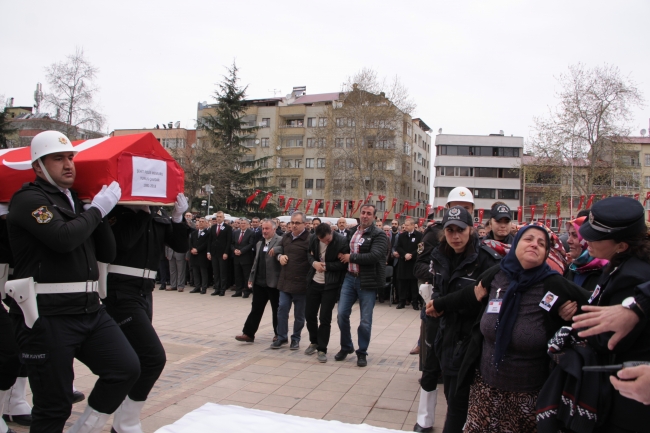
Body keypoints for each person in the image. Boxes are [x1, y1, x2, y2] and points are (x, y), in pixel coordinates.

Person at [6, 131, 140, 433]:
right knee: (53, 406)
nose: (68, 165)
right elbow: (62, 239)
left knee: (125, 368)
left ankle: (84, 429)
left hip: (89, 310)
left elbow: (108, 252)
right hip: (47, 316)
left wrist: (98, 212)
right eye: (58, 158)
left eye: (70, 158)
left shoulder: (77, 202)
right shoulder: (29, 199)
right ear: (38, 166)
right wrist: (96, 210)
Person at [427, 224, 588, 433]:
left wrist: (572, 316)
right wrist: (439, 305)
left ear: (546, 253)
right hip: (485, 389)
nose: (534, 245)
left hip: (529, 396)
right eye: (528, 239)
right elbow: (469, 294)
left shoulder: (554, 284)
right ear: (516, 245)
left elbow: (597, 303)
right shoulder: (498, 274)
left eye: (541, 243)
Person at [103, 192, 188, 433]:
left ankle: (123, 417)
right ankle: (125, 420)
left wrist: (178, 218)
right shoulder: (116, 213)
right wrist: (141, 212)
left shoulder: (157, 216)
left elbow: (180, 245)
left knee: (136, 359)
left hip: (144, 292)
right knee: (153, 358)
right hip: (120, 292)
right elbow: (123, 243)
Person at [413, 206, 501, 433]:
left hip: (473, 340)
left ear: (470, 230)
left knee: (465, 405)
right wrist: (438, 305)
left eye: (460, 230)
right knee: (451, 395)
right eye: (450, 230)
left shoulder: (485, 259)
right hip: (446, 335)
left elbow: (486, 300)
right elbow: (437, 286)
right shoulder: (439, 255)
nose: (455, 236)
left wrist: (447, 304)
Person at [570, 196, 650, 432]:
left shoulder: (633, 277)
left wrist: (575, 327)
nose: (587, 240)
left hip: (629, 402)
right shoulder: (619, 264)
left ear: (621, 245)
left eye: (595, 236)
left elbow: (608, 338)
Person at [335, 204, 387, 367]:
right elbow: (341, 249)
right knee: (341, 314)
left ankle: (362, 352)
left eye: (369, 214)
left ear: (374, 217)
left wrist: (352, 257)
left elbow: (374, 256)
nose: (365, 216)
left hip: (367, 281)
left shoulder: (379, 235)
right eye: (363, 213)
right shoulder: (351, 232)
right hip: (350, 279)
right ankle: (346, 346)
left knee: (365, 320)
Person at [305, 223, 350, 363]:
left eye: (328, 240)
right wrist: (314, 264)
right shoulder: (313, 238)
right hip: (314, 281)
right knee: (309, 314)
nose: (325, 242)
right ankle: (314, 341)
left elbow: (343, 264)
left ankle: (322, 349)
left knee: (324, 317)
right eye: (322, 240)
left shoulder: (341, 241)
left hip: (330, 284)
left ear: (331, 232)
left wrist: (326, 266)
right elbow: (308, 254)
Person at [236, 219, 283, 343]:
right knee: (256, 309)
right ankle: (248, 333)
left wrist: (277, 251)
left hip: (274, 283)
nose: (264, 231)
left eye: (267, 229)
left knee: (276, 310)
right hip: (259, 282)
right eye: (263, 229)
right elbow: (256, 262)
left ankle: (279, 334)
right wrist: (251, 278)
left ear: (274, 229)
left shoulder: (281, 241)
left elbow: (283, 253)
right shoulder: (259, 243)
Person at [273, 212, 311, 350]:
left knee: (299, 314)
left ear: (305, 224)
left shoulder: (309, 239)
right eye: (292, 223)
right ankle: (282, 337)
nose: (293, 226)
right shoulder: (286, 236)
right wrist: (279, 256)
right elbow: (279, 249)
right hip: (285, 281)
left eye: (297, 223)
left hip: (301, 283)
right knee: (282, 309)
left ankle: (296, 338)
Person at [564, 215, 607, 292]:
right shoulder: (570, 269)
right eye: (569, 234)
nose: (568, 241)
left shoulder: (605, 271)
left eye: (575, 235)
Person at [396, 218, 423, 310]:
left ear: (412, 225)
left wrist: (412, 255)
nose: (405, 227)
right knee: (402, 284)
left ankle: (415, 303)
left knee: (414, 284)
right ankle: (401, 302)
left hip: (414, 263)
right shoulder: (401, 236)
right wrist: (404, 254)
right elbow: (398, 247)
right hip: (403, 262)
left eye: (407, 225)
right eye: (405, 225)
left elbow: (421, 248)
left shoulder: (420, 236)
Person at [206, 211, 232, 296]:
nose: (219, 218)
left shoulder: (228, 227)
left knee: (222, 272)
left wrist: (226, 252)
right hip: (214, 252)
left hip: (222, 253)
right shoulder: (213, 227)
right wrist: (208, 252)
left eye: (220, 216)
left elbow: (229, 241)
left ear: (223, 218)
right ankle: (216, 288)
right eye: (217, 216)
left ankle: (222, 289)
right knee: (216, 272)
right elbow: (210, 240)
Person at [231, 218, 255, 298]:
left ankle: (247, 291)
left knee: (246, 275)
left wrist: (241, 251)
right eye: (241, 223)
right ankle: (238, 291)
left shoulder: (251, 233)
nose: (242, 225)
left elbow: (250, 244)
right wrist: (234, 250)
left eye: (244, 223)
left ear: (248, 225)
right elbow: (232, 243)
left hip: (246, 257)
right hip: (237, 257)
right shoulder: (235, 232)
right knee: (237, 275)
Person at [189, 217, 210, 294]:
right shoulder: (194, 233)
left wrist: (197, 249)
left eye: (202, 221)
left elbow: (206, 243)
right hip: (194, 255)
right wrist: (191, 249)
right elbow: (190, 242)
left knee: (203, 272)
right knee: (195, 271)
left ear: (205, 223)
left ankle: (204, 287)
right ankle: (197, 286)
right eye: (199, 221)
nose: (200, 223)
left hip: (202, 255)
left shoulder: (208, 233)